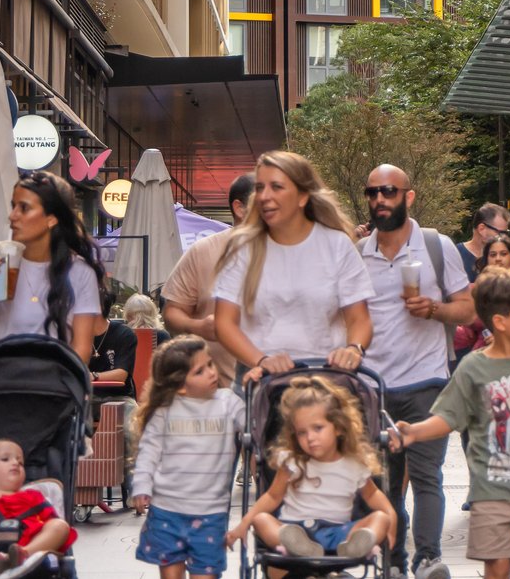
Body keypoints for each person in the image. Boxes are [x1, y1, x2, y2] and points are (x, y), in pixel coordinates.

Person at [394, 271, 510, 579]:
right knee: (497, 567)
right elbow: (448, 417)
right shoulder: (473, 367)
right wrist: (414, 432)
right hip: (490, 491)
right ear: (500, 321)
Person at [357, 162, 475, 579]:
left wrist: (436, 309)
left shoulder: (437, 246)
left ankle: (427, 557)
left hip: (427, 379)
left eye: (389, 191)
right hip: (372, 384)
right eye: (372, 192)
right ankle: (391, 561)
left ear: (408, 196)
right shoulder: (358, 253)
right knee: (384, 481)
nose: (380, 200)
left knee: (427, 475)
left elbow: (468, 306)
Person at [214, 151, 374, 376]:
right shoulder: (243, 247)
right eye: (260, 187)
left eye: (276, 187)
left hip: (325, 380)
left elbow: (360, 318)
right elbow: (224, 323)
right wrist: (261, 360)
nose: (264, 196)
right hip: (260, 381)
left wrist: (353, 349)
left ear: (302, 197)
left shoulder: (336, 244)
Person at [229, 375, 398, 559]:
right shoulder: (292, 461)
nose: (310, 438)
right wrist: (245, 522)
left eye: (317, 428)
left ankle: (355, 545)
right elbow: (272, 496)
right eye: (302, 432)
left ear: (339, 427)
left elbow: (373, 495)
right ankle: (299, 547)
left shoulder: (353, 463)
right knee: (261, 520)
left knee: (380, 518)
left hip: (340, 534)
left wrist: (391, 517)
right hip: (295, 530)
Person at [0, 171, 105, 362]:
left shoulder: (79, 272)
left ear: (51, 219)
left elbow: (82, 351)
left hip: (54, 385)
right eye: (13, 206)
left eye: (24, 208)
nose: (12, 216)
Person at [132, 338, 246, 579]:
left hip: (210, 512)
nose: (212, 373)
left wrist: (250, 387)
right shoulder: (165, 410)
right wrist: (142, 486)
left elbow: (251, 427)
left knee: (206, 573)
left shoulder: (227, 402)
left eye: (210, 365)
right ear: (181, 385)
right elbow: (149, 452)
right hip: (167, 509)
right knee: (171, 574)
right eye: (200, 371)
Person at [164, 172, 258, 383]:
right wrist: (198, 327)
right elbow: (172, 311)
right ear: (239, 208)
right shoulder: (204, 251)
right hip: (217, 395)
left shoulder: (289, 250)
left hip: (280, 388)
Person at [0, 437, 74, 575]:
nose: (15, 463)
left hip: (32, 547)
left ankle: (23, 555)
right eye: (5, 459)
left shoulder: (33, 496)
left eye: (20, 462)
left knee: (59, 525)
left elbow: (51, 523)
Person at [460, 203, 510, 278]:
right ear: (482, 229)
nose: (504, 237)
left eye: (506, 233)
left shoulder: (508, 258)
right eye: (500, 232)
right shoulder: (455, 255)